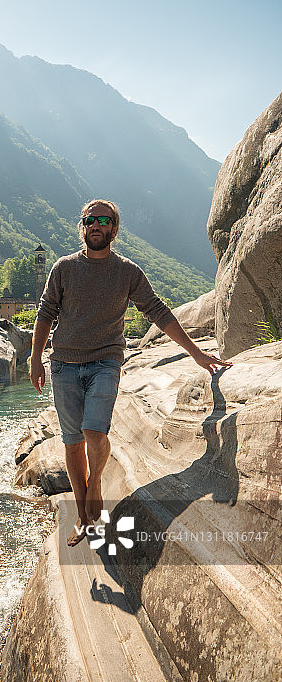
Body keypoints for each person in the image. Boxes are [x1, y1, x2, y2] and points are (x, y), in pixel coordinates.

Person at [29, 199, 232, 546]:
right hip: (63, 366)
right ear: (82, 227)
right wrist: (35, 359)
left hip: (105, 363)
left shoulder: (127, 272)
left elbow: (158, 312)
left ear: (114, 229)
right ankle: (84, 516)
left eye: (103, 220)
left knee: (94, 432)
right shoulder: (63, 268)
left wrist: (196, 352)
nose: (95, 224)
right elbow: (45, 314)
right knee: (72, 442)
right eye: (89, 219)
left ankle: (95, 487)